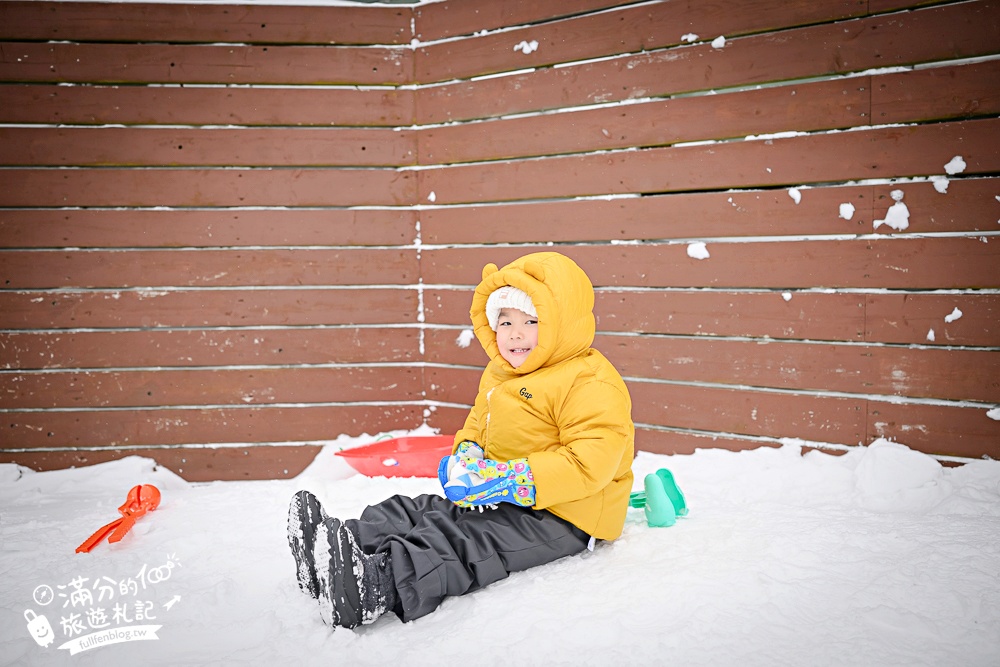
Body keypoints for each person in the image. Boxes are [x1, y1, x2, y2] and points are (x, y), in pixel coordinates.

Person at [287, 251, 635, 629]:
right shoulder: (503, 374)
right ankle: (337, 546)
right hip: (500, 493)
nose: (515, 333)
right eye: (505, 322)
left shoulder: (588, 381)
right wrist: (468, 453)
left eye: (531, 321)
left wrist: (516, 478)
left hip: (564, 514)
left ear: (562, 324)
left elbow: (592, 460)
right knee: (416, 509)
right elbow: (478, 423)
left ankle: (371, 587)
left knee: (463, 540)